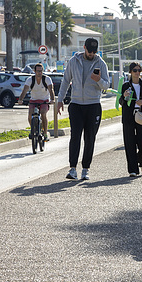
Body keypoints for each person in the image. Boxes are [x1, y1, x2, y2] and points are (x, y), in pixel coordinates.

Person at [57, 37, 110, 181]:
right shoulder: (74, 61)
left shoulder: (101, 63)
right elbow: (66, 80)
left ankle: (85, 169)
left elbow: (106, 85)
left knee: (90, 138)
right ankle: (72, 168)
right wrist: (60, 99)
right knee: (75, 137)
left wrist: (98, 80)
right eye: (90, 50)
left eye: (94, 51)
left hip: (93, 105)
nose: (92, 53)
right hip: (76, 105)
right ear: (84, 48)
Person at [119, 62, 142, 177]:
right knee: (129, 143)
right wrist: (124, 97)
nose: (137, 73)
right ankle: (132, 170)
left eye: (139, 70)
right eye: (134, 70)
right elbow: (120, 101)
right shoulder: (126, 85)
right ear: (130, 72)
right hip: (129, 116)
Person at [18, 63, 55, 141]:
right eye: (38, 71)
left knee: (43, 113)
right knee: (30, 115)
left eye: (41, 71)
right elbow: (25, 90)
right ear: (34, 71)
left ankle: (45, 133)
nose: (40, 73)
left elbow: (51, 90)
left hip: (44, 101)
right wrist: (20, 99)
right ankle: (33, 130)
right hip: (33, 100)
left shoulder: (47, 79)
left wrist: (52, 99)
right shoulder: (30, 79)